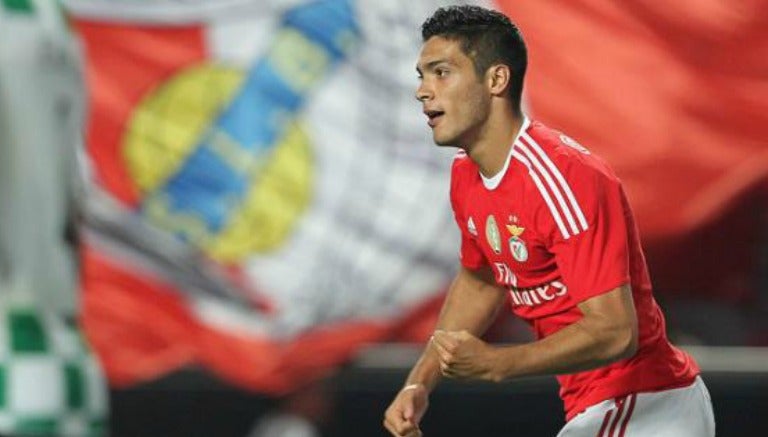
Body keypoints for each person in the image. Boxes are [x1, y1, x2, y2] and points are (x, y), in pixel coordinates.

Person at [383, 5, 715, 437]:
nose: (423, 91)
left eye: (441, 72)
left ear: (496, 80)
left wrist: (498, 362)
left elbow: (616, 332)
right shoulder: (467, 176)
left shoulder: (565, 176)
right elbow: (482, 278)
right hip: (605, 408)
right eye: (421, 75)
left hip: (645, 402)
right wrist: (420, 381)